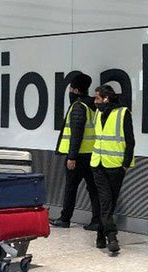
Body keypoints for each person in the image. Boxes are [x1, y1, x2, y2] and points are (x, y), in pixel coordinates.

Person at [50, 73, 101, 230]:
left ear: (76, 90)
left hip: (78, 157)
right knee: (93, 189)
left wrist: (71, 156)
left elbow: (76, 134)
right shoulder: (93, 106)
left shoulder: (79, 107)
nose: (70, 91)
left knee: (71, 187)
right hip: (91, 154)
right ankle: (97, 220)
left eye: (72, 88)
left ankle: (65, 218)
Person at [90, 85, 135, 253]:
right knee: (106, 201)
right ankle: (112, 236)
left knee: (110, 203)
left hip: (116, 165)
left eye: (97, 98)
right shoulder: (98, 113)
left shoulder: (123, 113)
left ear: (106, 98)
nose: (95, 102)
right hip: (98, 164)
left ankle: (100, 236)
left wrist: (125, 164)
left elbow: (130, 140)